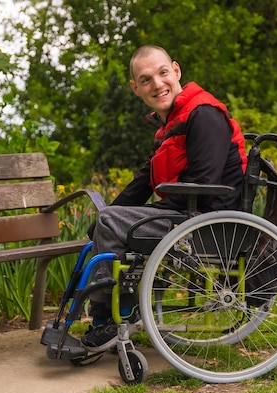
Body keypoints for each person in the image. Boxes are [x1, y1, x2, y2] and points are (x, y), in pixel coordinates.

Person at [80, 45, 247, 352]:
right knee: (107, 223)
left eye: (162, 73)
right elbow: (144, 181)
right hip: (185, 216)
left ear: (176, 71)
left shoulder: (204, 115)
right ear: (136, 89)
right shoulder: (170, 126)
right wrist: (106, 217)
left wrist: (116, 218)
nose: (157, 84)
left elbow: (206, 183)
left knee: (112, 223)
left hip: (208, 224)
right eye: (146, 80)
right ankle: (117, 310)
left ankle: (109, 319)